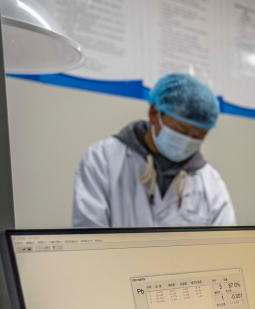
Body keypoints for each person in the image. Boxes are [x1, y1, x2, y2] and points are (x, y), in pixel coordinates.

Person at [73, 73, 235, 228]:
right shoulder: (103, 160)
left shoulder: (211, 183)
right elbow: (89, 236)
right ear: (153, 114)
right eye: (181, 130)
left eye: (197, 136)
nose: (187, 141)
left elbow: (224, 242)